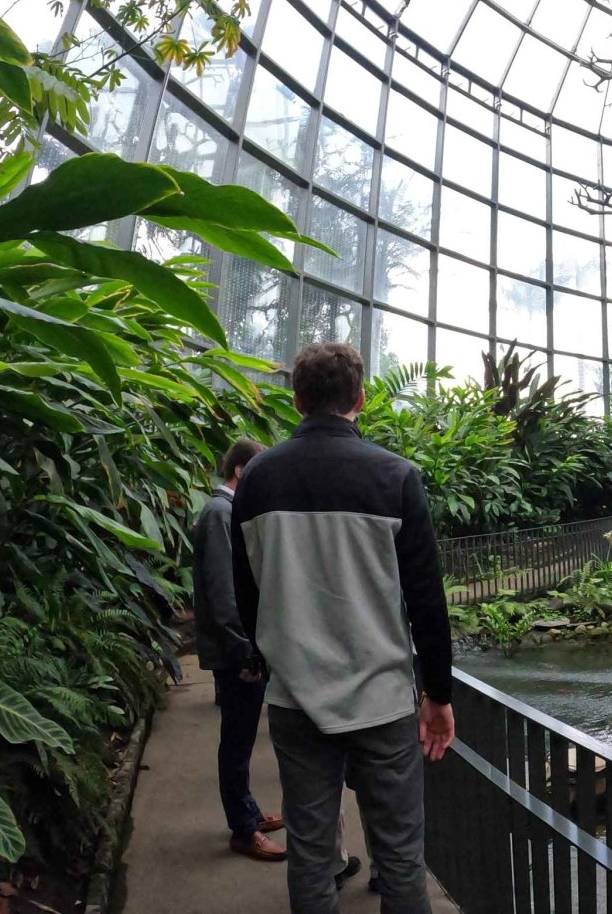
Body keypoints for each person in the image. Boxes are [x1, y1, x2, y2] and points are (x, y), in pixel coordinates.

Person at [231, 342, 455, 914]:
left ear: (298, 400)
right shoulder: (396, 477)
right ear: (359, 399)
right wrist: (439, 695)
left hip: (295, 699)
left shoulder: (255, 480)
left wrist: (271, 655)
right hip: (381, 699)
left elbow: (248, 590)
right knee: (401, 855)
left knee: (310, 852)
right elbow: (427, 599)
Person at [192, 438, 286, 862]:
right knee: (236, 737)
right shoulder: (219, 513)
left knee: (242, 735)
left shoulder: (225, 512)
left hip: (240, 647)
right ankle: (242, 829)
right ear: (242, 472)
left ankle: (246, 812)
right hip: (236, 652)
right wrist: (245, 648)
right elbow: (222, 589)